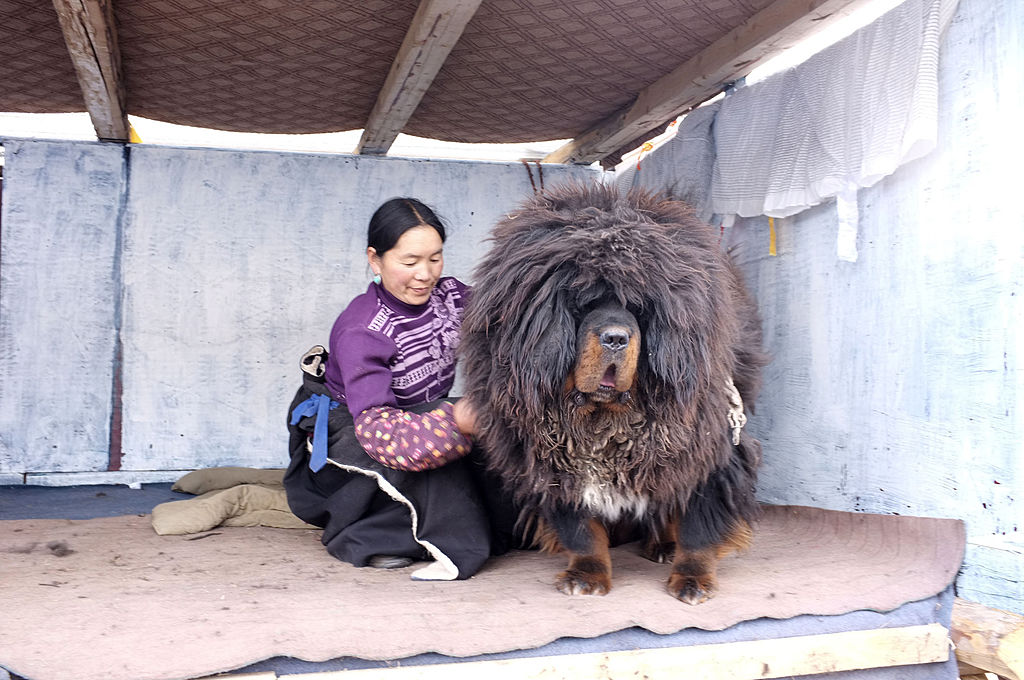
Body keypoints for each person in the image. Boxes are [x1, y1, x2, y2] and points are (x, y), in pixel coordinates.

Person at [283, 197, 508, 581]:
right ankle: (368, 536)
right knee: (442, 475)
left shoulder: (452, 298)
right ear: (375, 259)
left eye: (435, 258)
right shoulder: (363, 330)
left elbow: (511, 320)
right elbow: (379, 430)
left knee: (501, 461)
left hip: (420, 413)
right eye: (409, 262)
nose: (425, 274)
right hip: (354, 433)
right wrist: (457, 422)